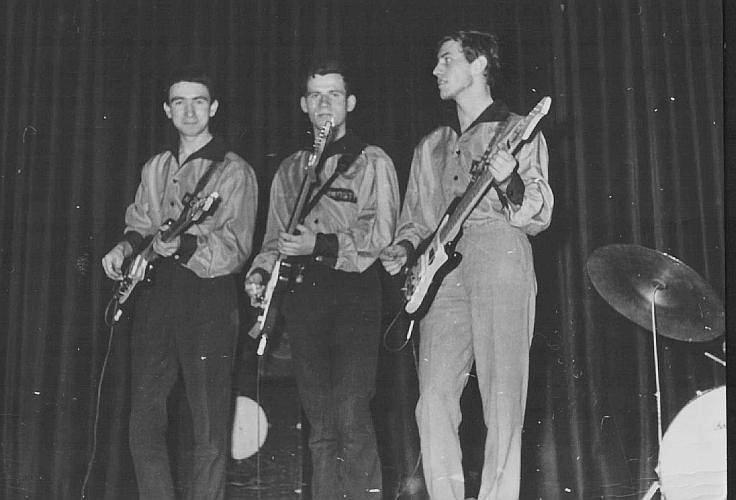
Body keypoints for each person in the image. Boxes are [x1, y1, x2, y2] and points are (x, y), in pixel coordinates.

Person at [380, 30, 553, 500]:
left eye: (446, 59)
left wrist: (509, 181)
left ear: (479, 65)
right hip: (442, 271)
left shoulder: (517, 128)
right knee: (432, 399)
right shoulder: (431, 145)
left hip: (500, 250)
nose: (436, 70)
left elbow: (538, 214)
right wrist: (403, 249)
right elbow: (415, 220)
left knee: (503, 396)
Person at [244, 58, 400, 499]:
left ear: (350, 102)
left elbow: (380, 234)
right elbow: (274, 239)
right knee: (320, 424)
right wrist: (259, 273)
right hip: (303, 298)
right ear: (303, 104)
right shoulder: (290, 169)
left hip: (354, 294)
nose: (324, 103)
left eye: (333, 94)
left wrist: (320, 245)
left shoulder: (372, 161)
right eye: (315, 95)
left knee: (352, 415)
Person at [101, 66, 257, 500]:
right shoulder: (156, 167)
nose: (189, 112)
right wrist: (123, 249)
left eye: (199, 102)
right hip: (156, 296)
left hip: (208, 298)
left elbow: (237, 247)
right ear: (167, 110)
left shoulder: (234, 171)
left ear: (214, 108)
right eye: (180, 103)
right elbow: (141, 223)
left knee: (209, 426)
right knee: (143, 419)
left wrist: (185, 245)